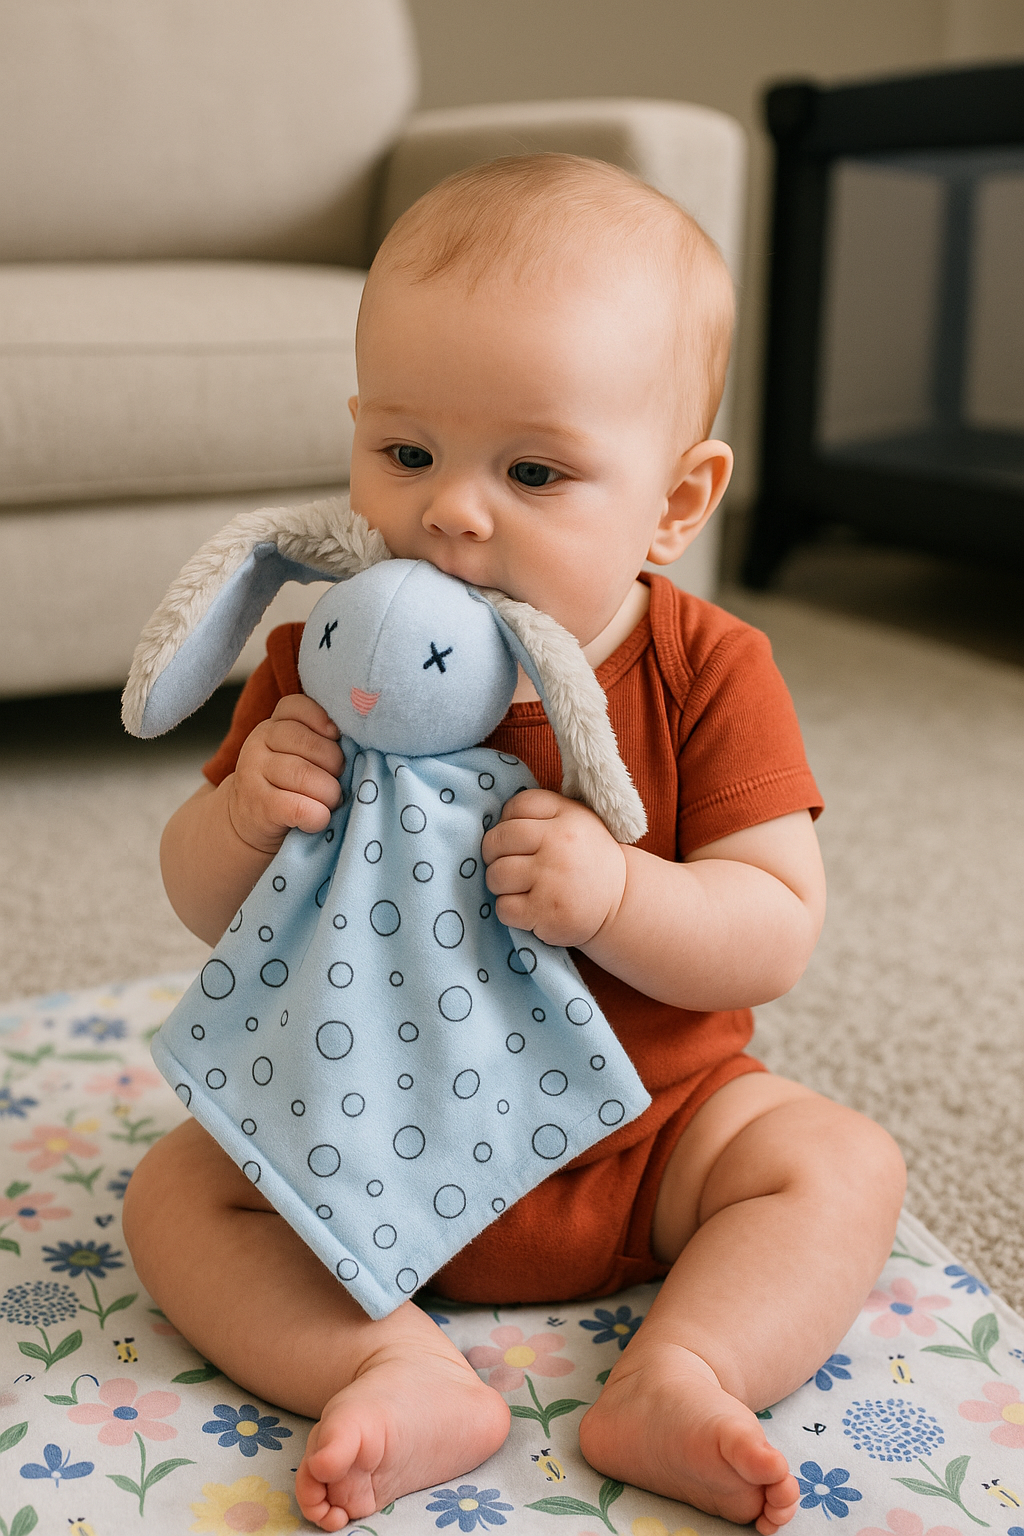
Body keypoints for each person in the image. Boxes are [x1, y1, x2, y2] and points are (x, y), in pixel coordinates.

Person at [122, 153, 905, 1536]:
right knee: (176, 1196)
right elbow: (201, 907)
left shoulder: (705, 667)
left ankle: (684, 1369)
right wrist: (243, 815)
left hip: (651, 1144)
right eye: (407, 453)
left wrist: (619, 898)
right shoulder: (327, 659)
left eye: (534, 470)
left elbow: (774, 921)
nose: (454, 511)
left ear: (676, 500)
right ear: (356, 430)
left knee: (838, 1168)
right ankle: (388, 1365)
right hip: (354, 1138)